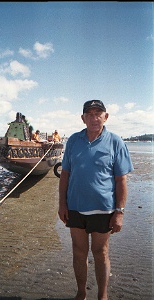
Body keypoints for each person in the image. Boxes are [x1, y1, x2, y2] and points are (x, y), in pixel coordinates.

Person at [58, 100, 134, 300]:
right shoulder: (73, 141)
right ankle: (81, 293)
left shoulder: (116, 142)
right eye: (89, 114)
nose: (94, 117)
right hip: (75, 208)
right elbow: (64, 174)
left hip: (103, 210)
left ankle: (102, 295)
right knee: (78, 251)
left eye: (98, 113)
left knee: (100, 252)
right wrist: (62, 204)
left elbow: (121, 180)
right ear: (83, 118)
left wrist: (119, 212)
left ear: (105, 117)